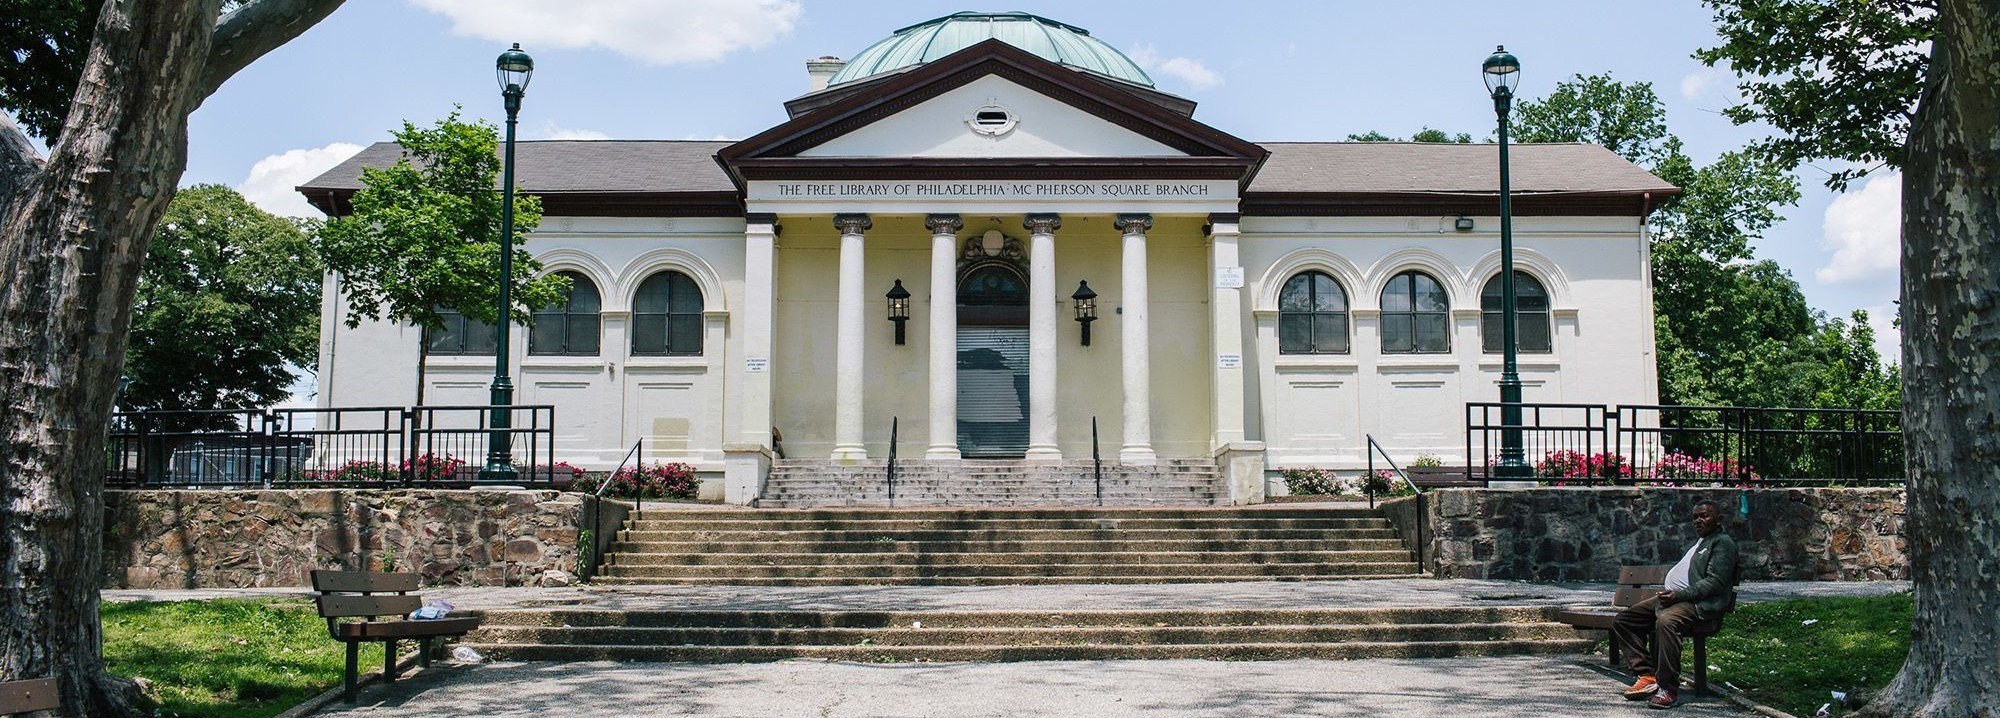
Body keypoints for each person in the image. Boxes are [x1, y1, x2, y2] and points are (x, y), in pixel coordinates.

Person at [1615, 499, 1739, 709]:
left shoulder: (1722, 543)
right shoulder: (1701, 542)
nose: (1698, 521)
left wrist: (1678, 595)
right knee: (1624, 620)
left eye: (1704, 516)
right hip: (1677, 598)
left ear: (1719, 520)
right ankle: (1647, 675)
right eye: (1695, 517)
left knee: (1666, 621)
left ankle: (1668, 689)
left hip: (1699, 604)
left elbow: (1715, 582)